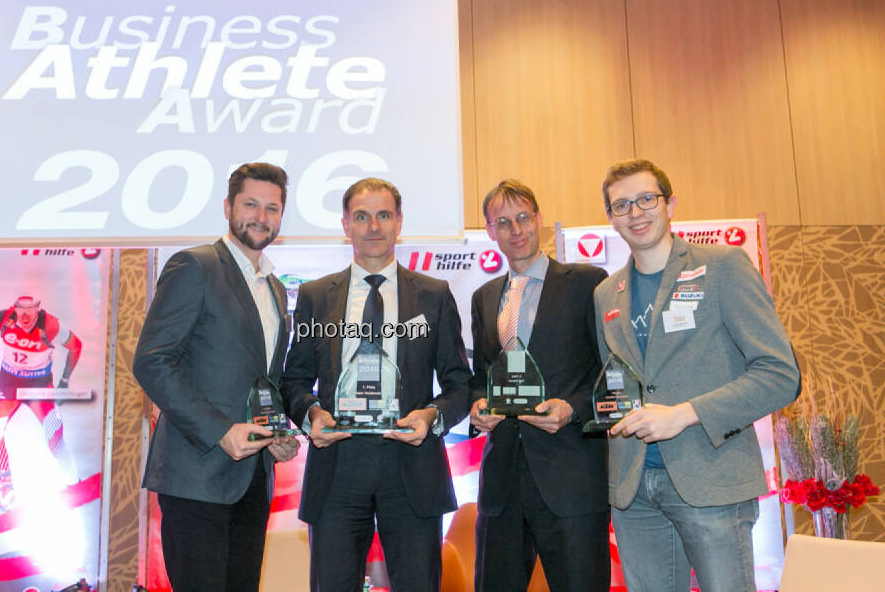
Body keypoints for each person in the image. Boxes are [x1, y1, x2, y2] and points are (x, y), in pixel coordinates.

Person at [594, 159, 800, 592]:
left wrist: (685, 413)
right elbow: (616, 383)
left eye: (646, 199)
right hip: (634, 489)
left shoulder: (723, 266)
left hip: (712, 480)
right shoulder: (604, 294)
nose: (636, 213)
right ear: (610, 218)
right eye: (622, 205)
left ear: (670, 203)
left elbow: (780, 374)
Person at [280, 177, 471, 592]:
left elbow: (460, 384)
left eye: (384, 215)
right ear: (346, 224)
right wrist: (312, 414)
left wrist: (431, 416)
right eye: (362, 217)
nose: (373, 227)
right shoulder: (316, 296)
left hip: (412, 467)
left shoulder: (433, 296)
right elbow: (294, 379)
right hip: (337, 468)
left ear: (399, 221)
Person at [132, 162, 300, 592]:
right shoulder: (195, 266)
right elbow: (152, 360)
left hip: (253, 479)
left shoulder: (276, 289)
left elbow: (265, 381)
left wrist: (277, 433)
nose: (261, 217)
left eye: (272, 208)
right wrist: (220, 430)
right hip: (196, 474)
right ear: (228, 207)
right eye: (250, 204)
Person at [468, 180, 610, 592]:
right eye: (503, 222)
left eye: (524, 217)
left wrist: (574, 409)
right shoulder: (483, 296)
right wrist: (479, 407)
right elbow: (481, 376)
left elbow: (611, 372)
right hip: (502, 481)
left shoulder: (587, 283)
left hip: (571, 475)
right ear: (491, 231)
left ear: (539, 219)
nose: (517, 230)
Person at [0, 295, 82, 513]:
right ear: (14, 309)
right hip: (8, 384)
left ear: (39, 309)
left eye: (31, 311)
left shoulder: (50, 325)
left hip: (39, 387)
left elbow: (76, 346)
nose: (26, 316)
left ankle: (74, 484)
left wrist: (65, 379)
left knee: (55, 439)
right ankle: (7, 493)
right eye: (21, 311)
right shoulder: (4, 319)